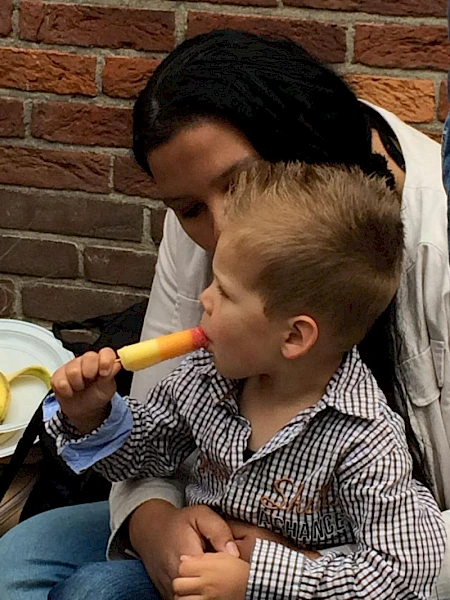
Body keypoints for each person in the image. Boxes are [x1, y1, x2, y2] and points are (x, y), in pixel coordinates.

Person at [0, 29, 449, 600]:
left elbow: (406, 564)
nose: (217, 236)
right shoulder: (207, 376)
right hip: (207, 534)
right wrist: (148, 514)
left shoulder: (362, 433)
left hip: (333, 573)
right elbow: (152, 441)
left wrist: (280, 572)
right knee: (19, 561)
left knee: (98, 588)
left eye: (238, 186)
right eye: (189, 208)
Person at [45, 162, 446, 600]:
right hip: (192, 569)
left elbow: (404, 573)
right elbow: (143, 457)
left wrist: (257, 581)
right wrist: (92, 415)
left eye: (224, 290)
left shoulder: (365, 439)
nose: (204, 298)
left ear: (293, 337)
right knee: (91, 590)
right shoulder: (207, 377)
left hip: (293, 591)